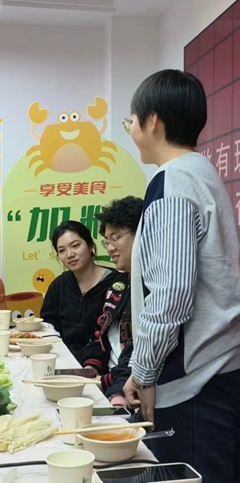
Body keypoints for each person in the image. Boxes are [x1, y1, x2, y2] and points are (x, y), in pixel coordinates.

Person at [122, 69, 240, 482]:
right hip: (217, 370)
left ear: (152, 121)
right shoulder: (200, 172)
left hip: (196, 382)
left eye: (131, 121)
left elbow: (170, 293)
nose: (131, 130)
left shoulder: (173, 180)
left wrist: (144, 371)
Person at [79, 196, 143, 407]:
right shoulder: (119, 284)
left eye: (116, 238)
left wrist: (112, 388)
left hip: (128, 388)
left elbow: (138, 352)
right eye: (107, 241)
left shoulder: (154, 287)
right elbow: (99, 335)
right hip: (108, 382)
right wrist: (90, 369)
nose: (110, 248)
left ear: (141, 232)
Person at [41, 220, 116, 361]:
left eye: (75, 246)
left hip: (103, 363)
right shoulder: (58, 286)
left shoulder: (116, 284)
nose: (69, 254)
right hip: (64, 360)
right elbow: (48, 327)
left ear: (90, 246)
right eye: (62, 250)